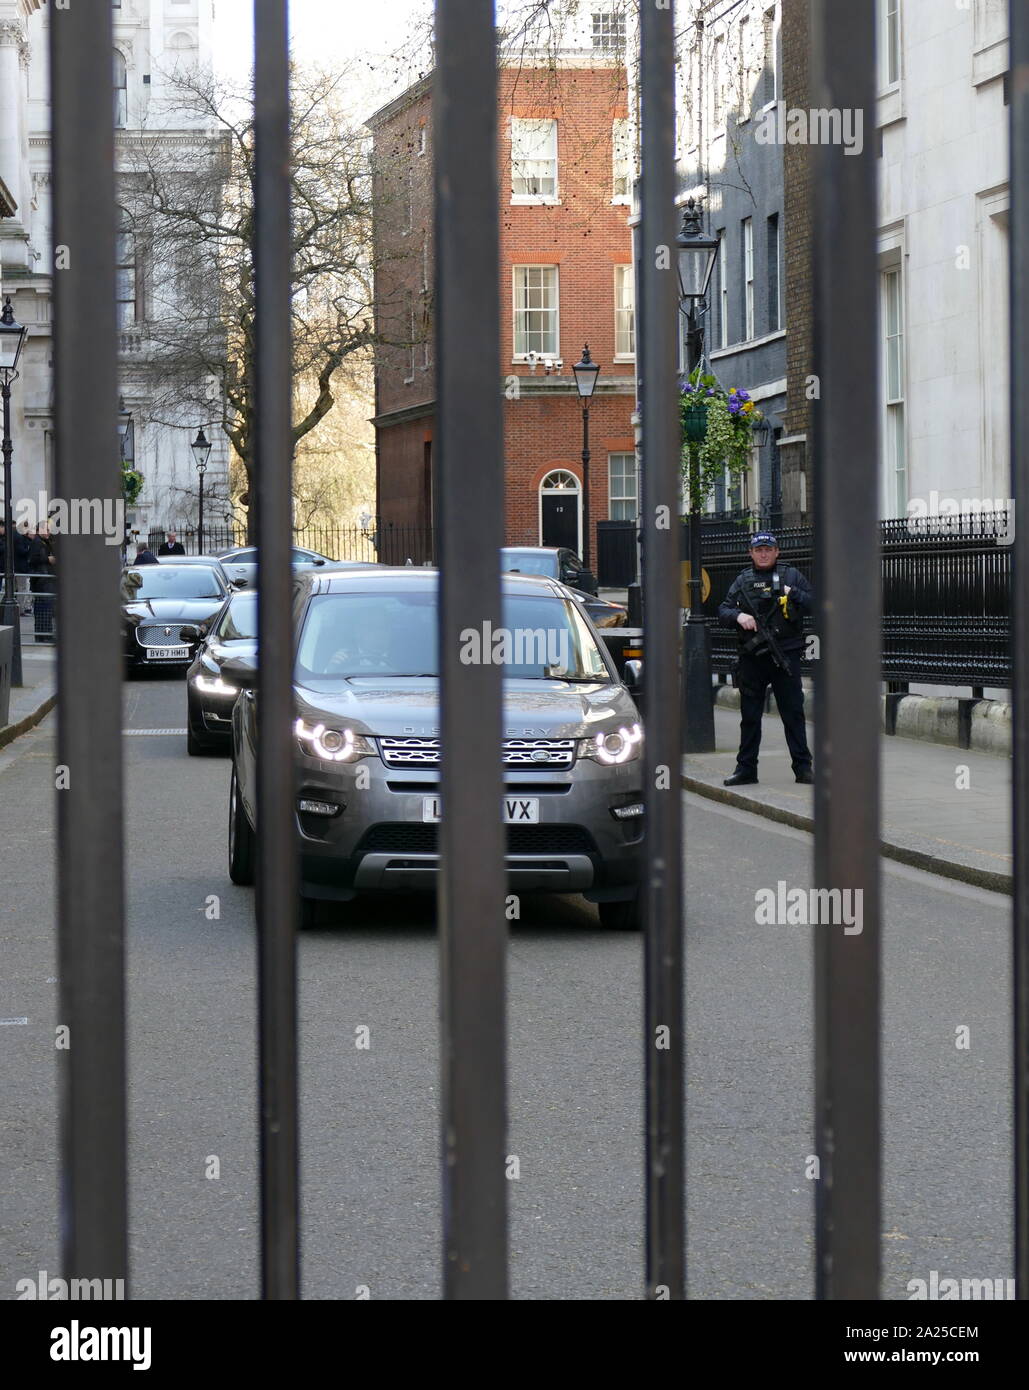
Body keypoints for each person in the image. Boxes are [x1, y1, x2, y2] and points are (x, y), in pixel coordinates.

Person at [718, 530, 814, 786]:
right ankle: (746, 769)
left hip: (785, 655)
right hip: (753, 657)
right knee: (750, 716)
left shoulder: (791, 576)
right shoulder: (742, 581)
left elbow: (814, 602)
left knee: (793, 713)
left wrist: (791, 592)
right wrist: (739, 617)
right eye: (758, 550)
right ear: (751, 553)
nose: (763, 554)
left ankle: (803, 768)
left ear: (777, 551)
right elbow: (723, 610)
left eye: (768, 549)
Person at [27, 522, 56, 643]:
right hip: (41, 581)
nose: (49, 532)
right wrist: (48, 559)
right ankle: (42, 635)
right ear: (41, 530)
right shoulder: (37, 542)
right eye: (47, 530)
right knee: (43, 610)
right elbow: (32, 559)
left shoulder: (43, 541)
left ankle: (44, 635)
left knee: (45, 610)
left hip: (45, 580)